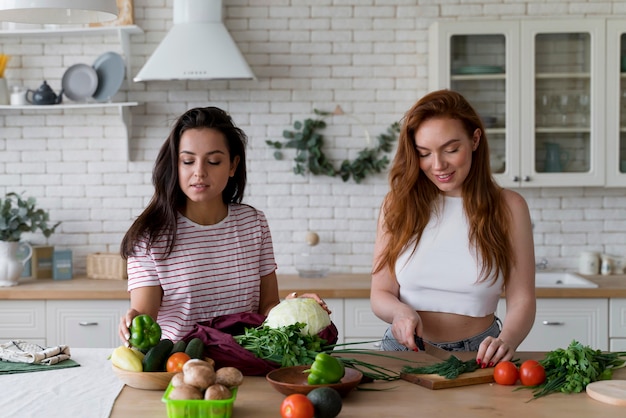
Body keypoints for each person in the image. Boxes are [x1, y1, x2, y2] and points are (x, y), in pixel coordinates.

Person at [118, 107, 326, 344]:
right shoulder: (150, 236)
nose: (199, 172)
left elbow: (267, 307)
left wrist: (295, 308)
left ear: (232, 166)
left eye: (214, 161)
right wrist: (134, 320)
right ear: (175, 165)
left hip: (248, 360)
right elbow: (146, 319)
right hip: (182, 367)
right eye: (187, 161)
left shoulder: (253, 224)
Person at [370, 90, 536, 367]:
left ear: (474, 140)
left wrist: (507, 340)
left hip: (480, 353)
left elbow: (522, 299)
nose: (438, 165)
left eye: (450, 150)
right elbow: (380, 292)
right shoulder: (397, 205)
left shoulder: (509, 207)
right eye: (424, 153)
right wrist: (400, 313)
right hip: (404, 351)